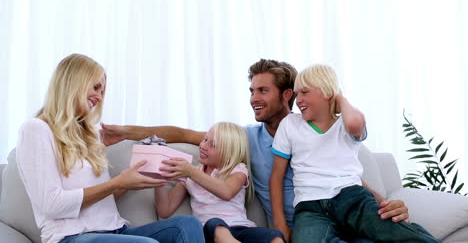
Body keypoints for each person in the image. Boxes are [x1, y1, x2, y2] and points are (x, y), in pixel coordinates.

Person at [100, 59, 410, 242]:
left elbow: (344, 175)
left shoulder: (313, 129)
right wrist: (125, 132)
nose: (253, 98)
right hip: (303, 228)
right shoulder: (244, 140)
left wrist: (385, 204)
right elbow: (182, 134)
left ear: (287, 95)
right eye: (251, 91)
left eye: (263, 91)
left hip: (341, 214)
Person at [16, 54, 205, 243]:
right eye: (96, 87)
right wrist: (118, 183)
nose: (99, 97)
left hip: (115, 231)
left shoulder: (89, 135)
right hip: (70, 237)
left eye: (102, 91)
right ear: (74, 82)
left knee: (187, 225)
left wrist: (129, 140)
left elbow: (163, 133)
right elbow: (52, 205)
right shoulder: (36, 130)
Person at [270, 64, 439, 242]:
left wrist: (340, 99)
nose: (298, 100)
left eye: (305, 92)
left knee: (395, 231)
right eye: (297, 94)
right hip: (310, 207)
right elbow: (276, 177)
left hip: (352, 198)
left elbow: (355, 124)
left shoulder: (345, 124)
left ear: (328, 92)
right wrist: (280, 224)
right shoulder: (290, 124)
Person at [154, 122, 284, 243]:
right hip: (208, 231)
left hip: (241, 228)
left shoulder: (238, 170)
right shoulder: (189, 176)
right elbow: (165, 210)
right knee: (216, 225)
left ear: (229, 153)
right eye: (205, 139)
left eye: (213, 145)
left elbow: (227, 192)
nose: (203, 146)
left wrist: (191, 172)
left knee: (275, 236)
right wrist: (158, 180)